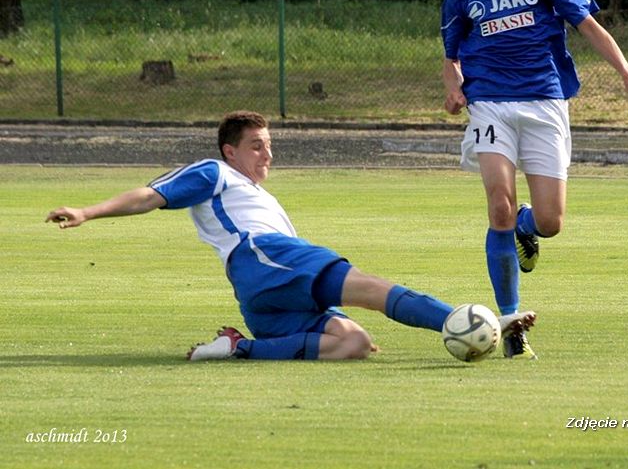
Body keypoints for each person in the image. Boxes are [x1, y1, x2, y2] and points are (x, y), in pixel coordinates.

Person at [46, 110, 535, 361]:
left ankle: (238, 348)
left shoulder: (261, 196)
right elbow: (150, 195)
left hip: (262, 295)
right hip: (264, 258)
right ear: (230, 151)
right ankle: (465, 321)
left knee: (353, 344)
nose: (267, 155)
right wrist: (87, 212)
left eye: (269, 146)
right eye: (256, 146)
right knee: (370, 288)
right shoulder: (215, 172)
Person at [440, 0, 628, 360]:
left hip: (544, 101)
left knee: (551, 222)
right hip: (490, 104)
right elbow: (450, 57)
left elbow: (588, 25)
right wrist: (454, 89)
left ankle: (527, 225)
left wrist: (626, 72)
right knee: (498, 206)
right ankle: (511, 322)